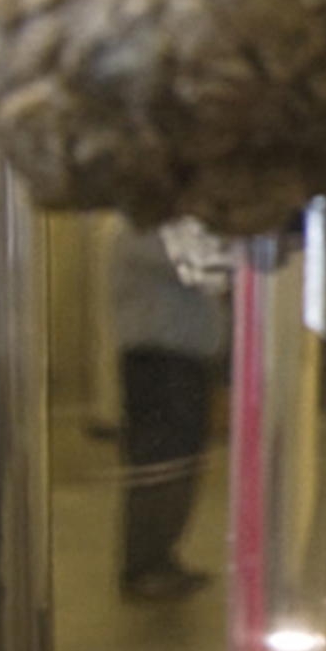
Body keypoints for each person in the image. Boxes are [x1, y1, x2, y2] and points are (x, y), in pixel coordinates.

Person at [111, 222, 229, 601]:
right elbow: (207, 270)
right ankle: (144, 566)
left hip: (183, 362)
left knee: (181, 461)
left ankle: (162, 557)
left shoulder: (166, 228)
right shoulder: (145, 230)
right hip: (160, 363)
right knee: (160, 461)